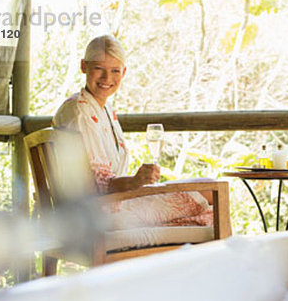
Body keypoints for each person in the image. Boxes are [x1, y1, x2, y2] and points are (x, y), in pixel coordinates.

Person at [53, 35, 213, 230]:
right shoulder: (80, 111)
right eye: (99, 69)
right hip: (97, 214)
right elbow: (96, 184)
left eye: (115, 71)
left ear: (124, 72)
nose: (107, 78)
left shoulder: (105, 110)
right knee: (210, 192)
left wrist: (138, 182)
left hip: (111, 205)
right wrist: (135, 181)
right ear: (83, 66)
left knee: (209, 191)